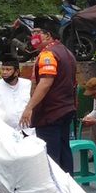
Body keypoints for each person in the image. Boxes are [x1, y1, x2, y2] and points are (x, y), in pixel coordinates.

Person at [19, 26, 77, 174]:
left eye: (37, 33)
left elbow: (45, 83)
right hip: (67, 108)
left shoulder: (48, 55)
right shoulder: (66, 52)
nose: (33, 37)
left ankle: (54, 189)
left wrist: (29, 108)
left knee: (50, 154)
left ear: (48, 35)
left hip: (51, 111)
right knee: (64, 149)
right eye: (32, 33)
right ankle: (69, 186)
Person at [0, 60, 33, 132]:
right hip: (7, 131)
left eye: (8, 69)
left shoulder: (28, 84)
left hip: (30, 130)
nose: (4, 72)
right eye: (3, 69)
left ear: (17, 72)